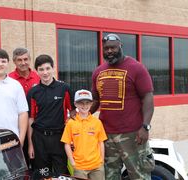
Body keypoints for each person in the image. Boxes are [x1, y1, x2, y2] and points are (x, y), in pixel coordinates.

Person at [90, 34, 155, 179]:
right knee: (109, 176)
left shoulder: (137, 68)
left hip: (133, 135)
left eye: (113, 47)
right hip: (106, 135)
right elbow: (95, 100)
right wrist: (80, 114)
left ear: (120, 46)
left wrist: (145, 127)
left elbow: (148, 98)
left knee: (140, 175)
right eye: (106, 48)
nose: (109, 51)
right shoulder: (98, 72)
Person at [27, 54, 75, 177]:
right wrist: (31, 145)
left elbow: (73, 112)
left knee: (61, 174)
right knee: (43, 175)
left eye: (48, 68)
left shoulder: (64, 88)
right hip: (39, 139)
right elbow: (31, 119)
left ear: (53, 68)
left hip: (59, 138)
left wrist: (72, 134)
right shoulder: (33, 92)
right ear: (36, 71)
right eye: (41, 69)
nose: (45, 72)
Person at [61, 89, 107, 180]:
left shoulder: (97, 122)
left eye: (87, 103)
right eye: (81, 103)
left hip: (96, 166)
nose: (84, 105)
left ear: (91, 104)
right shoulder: (71, 123)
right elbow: (66, 144)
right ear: (75, 104)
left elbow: (101, 142)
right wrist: (72, 162)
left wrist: (101, 160)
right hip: (79, 166)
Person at [8, 47, 40, 171]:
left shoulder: (38, 77)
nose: (23, 63)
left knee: (37, 161)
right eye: (19, 60)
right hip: (16, 127)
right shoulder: (9, 79)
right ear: (14, 62)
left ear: (30, 59)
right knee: (18, 161)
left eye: (26, 59)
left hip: (35, 127)